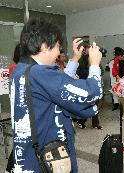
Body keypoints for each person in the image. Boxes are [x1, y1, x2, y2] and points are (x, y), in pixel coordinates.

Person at [9, 18, 103, 172]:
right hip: (49, 155)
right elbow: (90, 93)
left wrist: (75, 59)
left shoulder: (21, 70)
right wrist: (94, 65)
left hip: (29, 155)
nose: (59, 52)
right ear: (45, 46)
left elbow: (56, 89)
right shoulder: (39, 73)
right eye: (58, 47)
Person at [6, 44, 21, 173]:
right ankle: (10, 168)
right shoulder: (14, 68)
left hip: (19, 108)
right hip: (19, 110)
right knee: (19, 143)